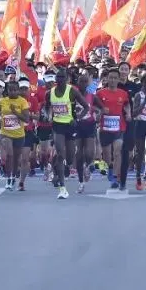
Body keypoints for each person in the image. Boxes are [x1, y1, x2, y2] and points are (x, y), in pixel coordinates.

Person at [45, 68, 90, 200]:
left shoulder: (72, 91)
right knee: (60, 153)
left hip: (70, 125)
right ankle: (62, 188)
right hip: (57, 126)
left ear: (67, 79)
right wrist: (48, 116)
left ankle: (55, 168)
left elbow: (86, 107)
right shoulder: (49, 93)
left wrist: (77, 119)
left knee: (69, 158)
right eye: (58, 77)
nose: (60, 80)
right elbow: (47, 106)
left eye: (62, 77)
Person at [97, 68, 132, 191]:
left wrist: (128, 114)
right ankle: (110, 168)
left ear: (118, 79)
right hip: (105, 128)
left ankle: (116, 177)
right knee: (107, 155)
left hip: (119, 127)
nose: (112, 80)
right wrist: (100, 111)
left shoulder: (123, 93)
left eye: (115, 78)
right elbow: (94, 107)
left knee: (117, 151)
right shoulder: (100, 93)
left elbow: (127, 105)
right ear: (107, 79)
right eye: (110, 78)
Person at [0, 77, 32, 191]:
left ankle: (14, 176)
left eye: (15, 90)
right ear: (7, 91)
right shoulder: (2, 101)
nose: (13, 92)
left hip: (19, 134)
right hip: (5, 133)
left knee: (16, 158)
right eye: (10, 90)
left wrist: (15, 112)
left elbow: (26, 119)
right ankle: (8, 178)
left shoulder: (22, 102)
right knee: (9, 154)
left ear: (18, 90)